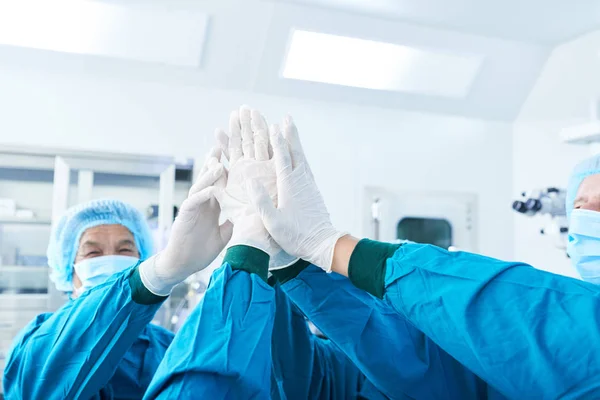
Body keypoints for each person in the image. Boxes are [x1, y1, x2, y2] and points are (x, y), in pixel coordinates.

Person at [245, 115, 600, 398]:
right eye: (580, 207)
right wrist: (296, 269)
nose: (586, 214)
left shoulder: (571, 325)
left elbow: (538, 324)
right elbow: (432, 369)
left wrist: (337, 249)